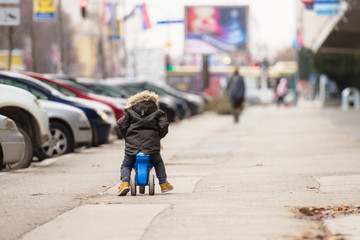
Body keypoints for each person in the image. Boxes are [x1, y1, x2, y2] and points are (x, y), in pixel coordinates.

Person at [117, 90, 173, 196]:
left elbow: (122, 124)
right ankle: (163, 183)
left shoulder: (129, 112)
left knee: (126, 165)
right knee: (158, 162)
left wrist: (127, 137)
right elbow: (163, 126)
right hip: (151, 145)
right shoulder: (158, 112)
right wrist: (157, 137)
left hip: (133, 146)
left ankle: (124, 183)